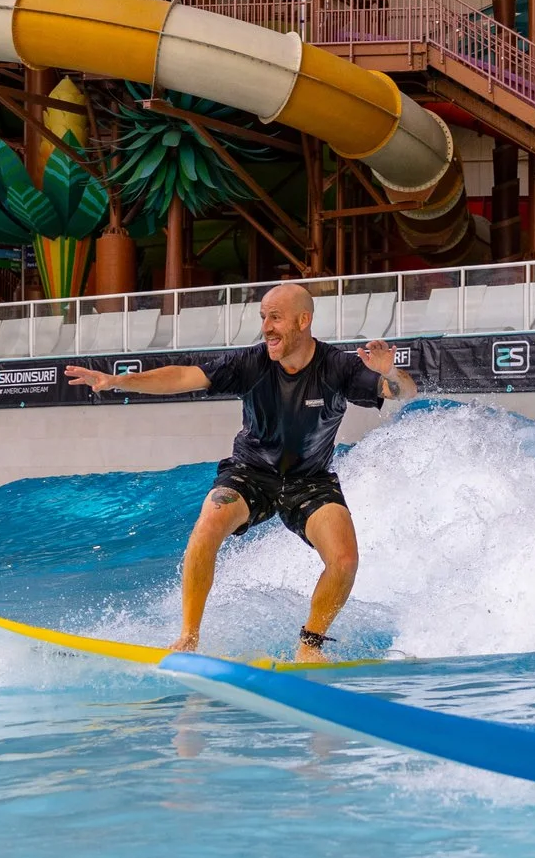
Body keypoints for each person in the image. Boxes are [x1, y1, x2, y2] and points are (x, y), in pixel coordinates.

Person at [65, 282, 416, 662]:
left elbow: (403, 392)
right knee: (207, 526)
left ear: (303, 320)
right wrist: (118, 381)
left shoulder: (337, 366)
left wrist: (390, 372)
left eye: (276, 317)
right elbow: (184, 376)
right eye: (263, 317)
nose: (266, 326)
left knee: (344, 560)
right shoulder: (251, 363)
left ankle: (310, 647)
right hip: (250, 473)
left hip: (310, 482)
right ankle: (188, 637)